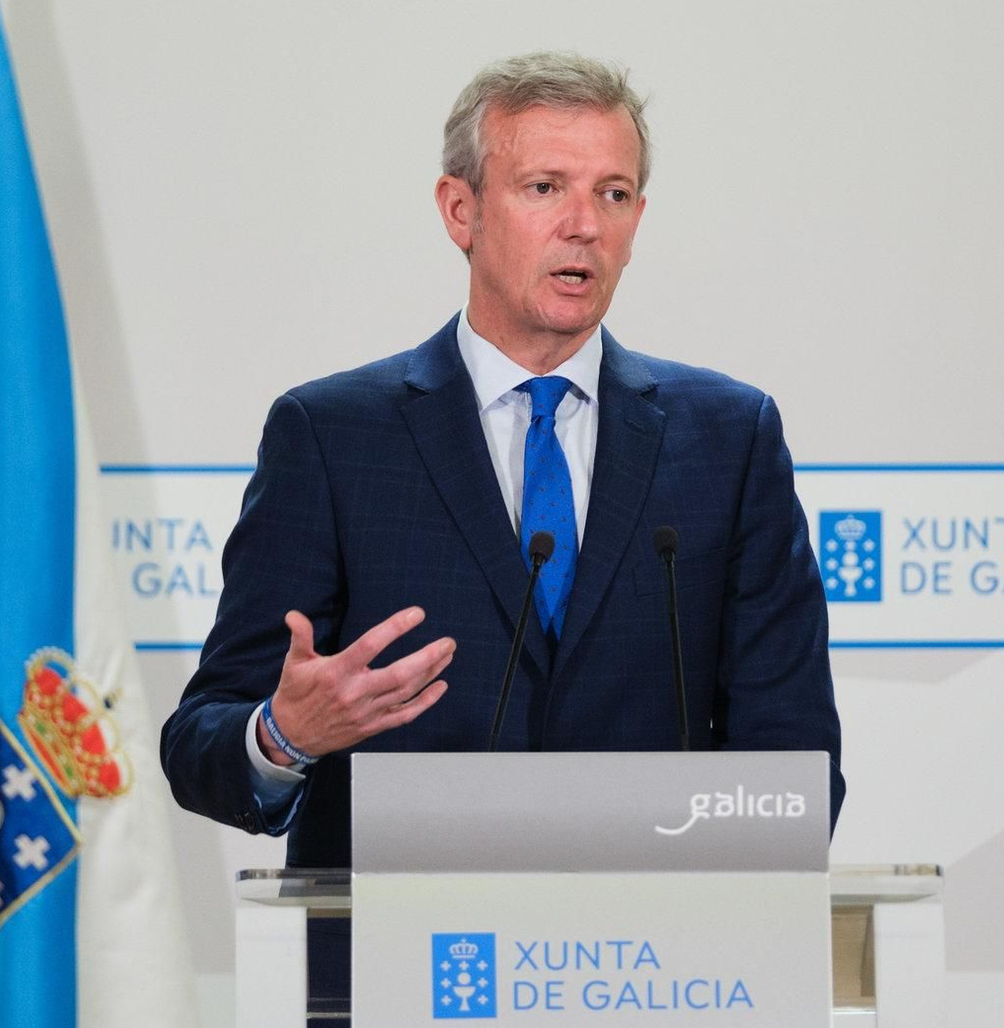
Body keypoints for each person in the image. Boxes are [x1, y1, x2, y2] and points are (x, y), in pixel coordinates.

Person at [159, 50, 844, 1014]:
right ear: (460, 211)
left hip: (656, 982)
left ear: (637, 222)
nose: (583, 225)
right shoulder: (332, 435)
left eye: (613, 193)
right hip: (395, 977)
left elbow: (795, 761)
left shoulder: (728, 439)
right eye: (544, 187)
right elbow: (202, 745)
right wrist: (285, 735)